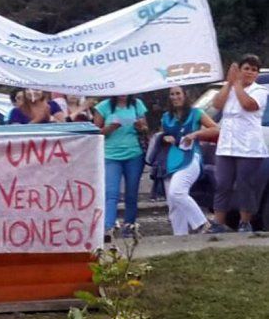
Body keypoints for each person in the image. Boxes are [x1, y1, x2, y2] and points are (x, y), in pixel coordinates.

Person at [211, 55, 269, 233]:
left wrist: (236, 84)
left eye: (254, 70)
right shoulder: (230, 89)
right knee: (223, 184)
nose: (250, 72)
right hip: (227, 145)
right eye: (247, 68)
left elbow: (248, 105)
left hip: (248, 147)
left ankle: (245, 222)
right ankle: (218, 223)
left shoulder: (259, 90)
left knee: (246, 185)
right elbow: (217, 104)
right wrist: (229, 84)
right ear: (240, 70)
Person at [160, 86, 219, 235]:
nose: (175, 97)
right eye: (172, 94)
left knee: (177, 192)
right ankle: (180, 238)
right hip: (170, 161)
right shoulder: (166, 117)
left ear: (185, 95)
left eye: (178, 93)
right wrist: (165, 138)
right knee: (173, 204)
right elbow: (162, 136)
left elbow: (215, 129)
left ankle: (202, 223)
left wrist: (196, 134)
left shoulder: (196, 113)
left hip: (191, 157)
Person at [94, 94, 149, 239]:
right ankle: (108, 228)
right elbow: (95, 133)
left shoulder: (137, 104)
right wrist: (110, 128)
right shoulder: (103, 107)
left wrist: (140, 127)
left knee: (131, 194)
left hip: (134, 154)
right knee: (111, 193)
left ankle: (129, 227)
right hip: (111, 156)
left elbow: (145, 129)